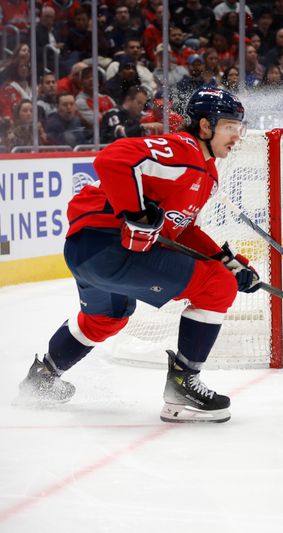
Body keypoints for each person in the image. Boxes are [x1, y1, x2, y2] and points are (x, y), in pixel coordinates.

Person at [16, 88, 257, 424]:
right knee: (216, 286)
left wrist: (224, 260)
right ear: (205, 125)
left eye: (240, 127)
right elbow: (112, 159)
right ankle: (182, 386)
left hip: (85, 252)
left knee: (107, 318)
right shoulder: (182, 149)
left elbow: (179, 230)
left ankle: (41, 380)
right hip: (111, 247)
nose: (237, 136)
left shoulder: (207, 172)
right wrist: (136, 213)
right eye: (230, 126)